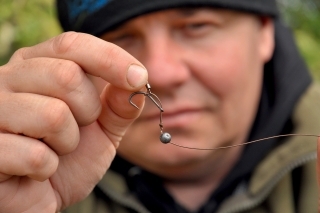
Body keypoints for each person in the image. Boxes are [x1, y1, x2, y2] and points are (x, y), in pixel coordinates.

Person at [0, 0, 319, 212]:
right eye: (121, 37)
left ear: (265, 31)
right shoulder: (31, 180)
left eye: (196, 27)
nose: (161, 73)